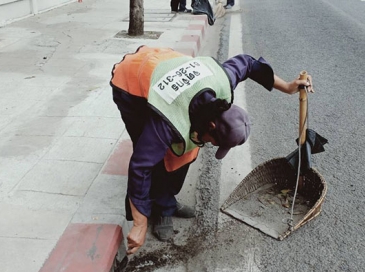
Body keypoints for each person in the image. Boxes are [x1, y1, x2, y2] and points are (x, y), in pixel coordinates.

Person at [110, 46, 313, 255]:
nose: (214, 147)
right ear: (212, 126)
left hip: (167, 66)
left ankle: (165, 200)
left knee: (184, 152)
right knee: (153, 153)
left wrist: (288, 87)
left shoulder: (223, 82)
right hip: (132, 80)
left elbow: (249, 63)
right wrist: (139, 224)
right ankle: (159, 208)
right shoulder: (168, 121)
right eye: (217, 143)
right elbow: (140, 166)